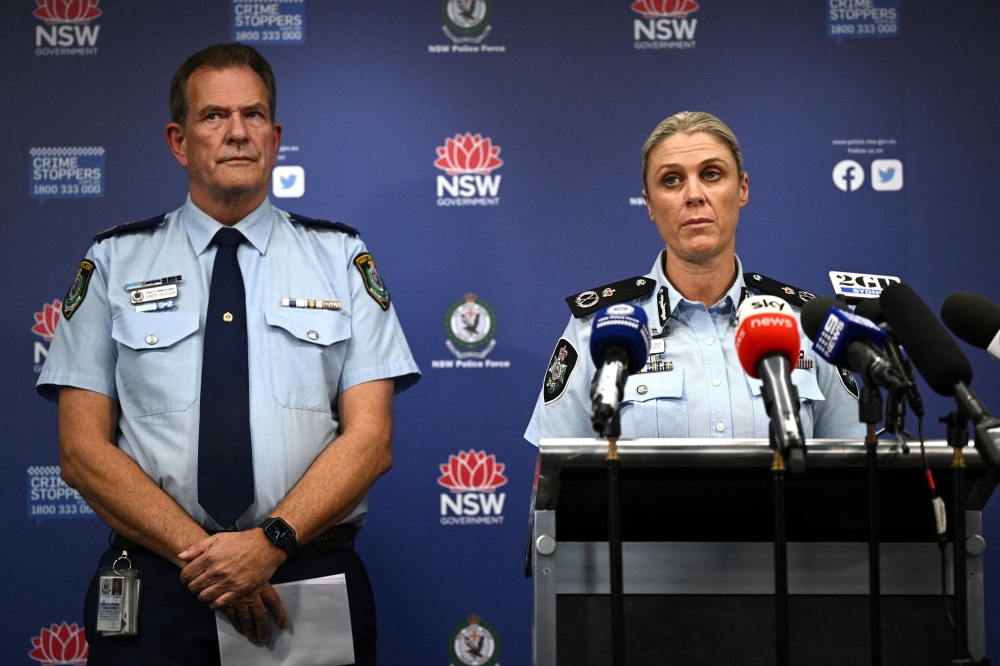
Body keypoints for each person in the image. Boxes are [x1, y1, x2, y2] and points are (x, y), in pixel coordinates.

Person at [37, 43, 419, 665]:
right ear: (178, 140)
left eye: (254, 115)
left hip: (303, 575)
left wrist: (267, 543)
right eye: (214, 116)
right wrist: (210, 557)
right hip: (162, 580)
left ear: (275, 134)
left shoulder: (341, 259)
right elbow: (82, 452)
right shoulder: (113, 261)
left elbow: (370, 440)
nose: (237, 132)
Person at [525, 111, 864, 444]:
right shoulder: (598, 328)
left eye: (712, 174)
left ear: (742, 189)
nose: (694, 195)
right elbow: (558, 478)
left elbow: (855, 476)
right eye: (671, 180)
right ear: (649, 204)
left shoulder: (806, 325)